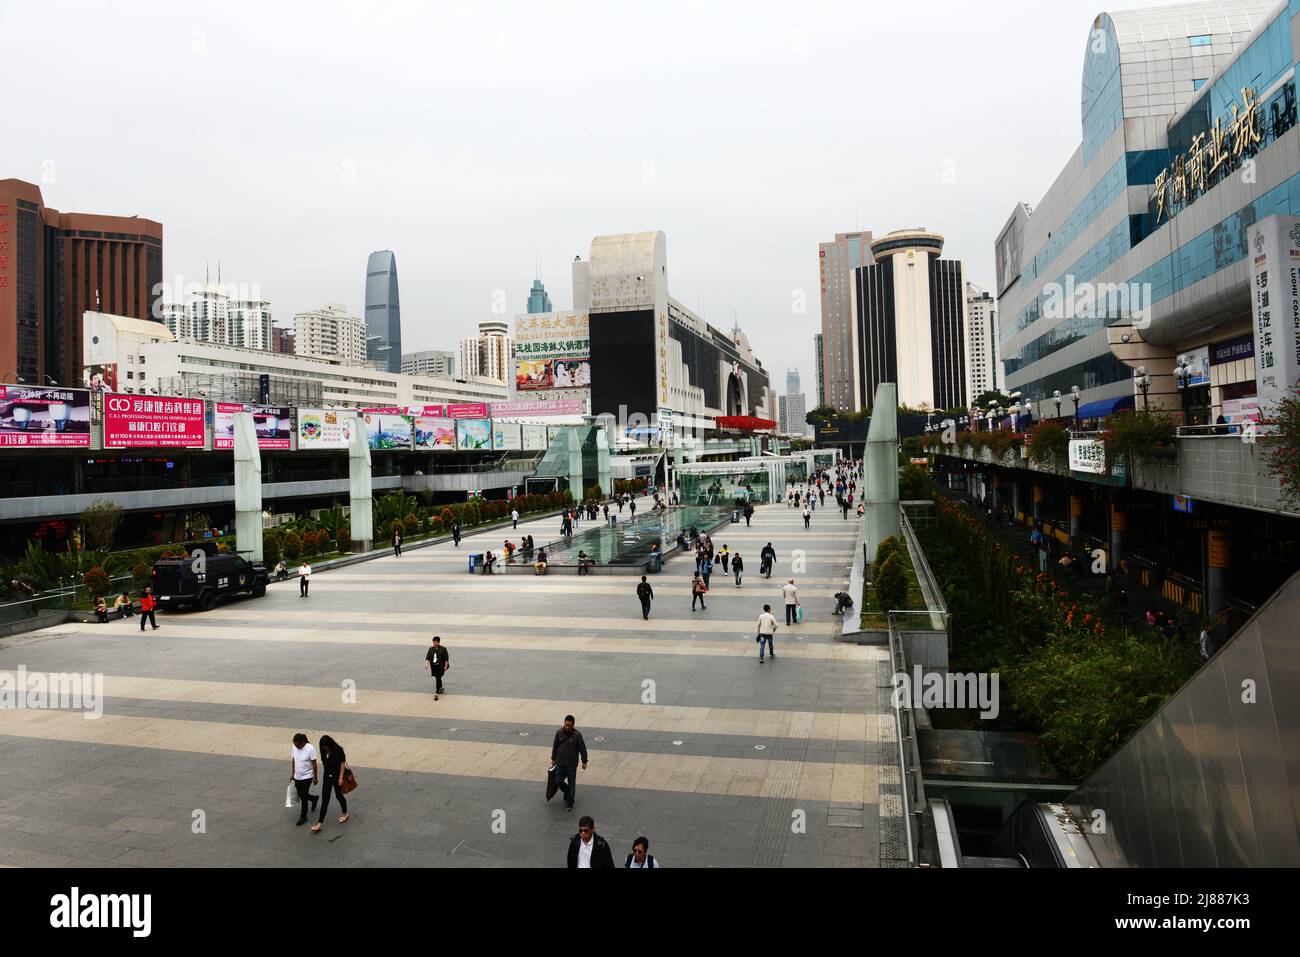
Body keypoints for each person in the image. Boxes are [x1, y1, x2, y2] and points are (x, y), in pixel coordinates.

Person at [312, 735, 350, 833]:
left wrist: (341, 777)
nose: (325, 748)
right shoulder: (323, 751)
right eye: (323, 746)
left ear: (330, 744)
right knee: (325, 799)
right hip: (327, 777)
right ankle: (319, 823)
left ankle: (345, 813)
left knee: (339, 796)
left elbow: (342, 763)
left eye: (326, 746)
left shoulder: (338, 750)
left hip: (337, 777)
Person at [550, 715, 588, 812]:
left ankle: (570, 803)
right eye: (565, 725)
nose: (567, 727)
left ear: (573, 725)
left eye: (569, 725)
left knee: (572, 784)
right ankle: (567, 791)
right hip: (560, 763)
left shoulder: (577, 735)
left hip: (571, 765)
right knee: (558, 780)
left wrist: (584, 761)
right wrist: (553, 758)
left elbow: (582, 749)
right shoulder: (559, 733)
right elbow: (555, 746)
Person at [290, 733, 319, 827]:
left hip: (307, 776)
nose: (296, 747)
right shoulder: (294, 747)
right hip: (297, 776)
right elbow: (294, 759)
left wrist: (315, 777)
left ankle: (303, 816)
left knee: (303, 796)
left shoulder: (310, 748)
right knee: (300, 794)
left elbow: (314, 763)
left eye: (298, 745)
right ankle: (314, 798)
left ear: (303, 743)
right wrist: (293, 773)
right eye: (295, 745)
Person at [424, 635, 450, 699]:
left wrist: (446, 666)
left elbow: (446, 658)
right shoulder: (431, 649)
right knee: (437, 677)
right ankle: (441, 688)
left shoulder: (443, 649)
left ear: (439, 642)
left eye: (436, 642)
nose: (435, 643)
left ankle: (437, 692)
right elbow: (428, 657)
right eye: (434, 642)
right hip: (434, 667)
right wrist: (426, 664)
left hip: (441, 666)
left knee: (438, 677)